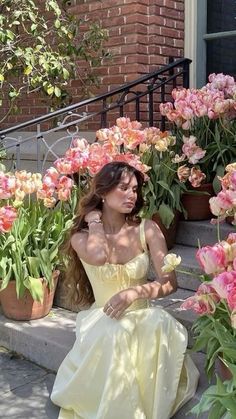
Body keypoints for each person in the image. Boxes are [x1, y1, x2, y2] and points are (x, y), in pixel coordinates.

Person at [51, 161, 199, 419]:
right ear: (103, 192)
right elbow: (97, 256)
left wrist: (135, 293)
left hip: (144, 315)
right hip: (103, 318)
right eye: (123, 188)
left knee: (140, 326)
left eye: (135, 189)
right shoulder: (81, 237)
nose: (132, 195)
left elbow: (169, 282)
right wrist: (94, 219)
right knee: (114, 332)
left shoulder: (148, 229)